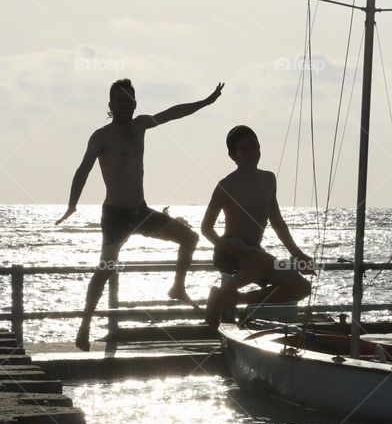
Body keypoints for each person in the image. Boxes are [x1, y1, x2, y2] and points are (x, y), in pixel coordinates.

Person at [56, 78, 224, 351]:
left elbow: (173, 113)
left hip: (140, 211)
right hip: (115, 216)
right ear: (111, 105)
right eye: (119, 100)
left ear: (135, 103)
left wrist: (205, 102)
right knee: (106, 269)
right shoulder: (101, 136)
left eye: (129, 99)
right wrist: (72, 205)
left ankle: (178, 287)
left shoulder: (141, 125)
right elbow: (82, 170)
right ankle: (85, 326)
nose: (125, 104)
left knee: (190, 239)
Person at [201, 125, 313, 328]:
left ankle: (232, 298)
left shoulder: (269, 179)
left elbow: (277, 220)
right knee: (259, 260)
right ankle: (219, 296)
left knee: (301, 287)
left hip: (255, 252)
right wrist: (226, 246)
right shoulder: (226, 185)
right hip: (229, 250)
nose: (251, 153)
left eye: (255, 147)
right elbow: (206, 228)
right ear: (232, 155)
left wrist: (297, 254)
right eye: (244, 149)